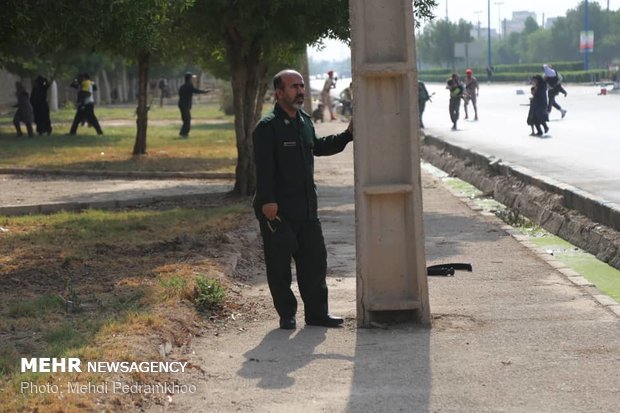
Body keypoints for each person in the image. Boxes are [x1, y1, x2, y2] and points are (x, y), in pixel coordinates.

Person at [252, 69, 353, 330]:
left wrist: (347, 135)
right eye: (294, 86)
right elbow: (264, 170)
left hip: (307, 208)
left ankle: (317, 314)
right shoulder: (267, 128)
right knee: (279, 267)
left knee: (315, 263)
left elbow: (317, 147)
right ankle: (287, 314)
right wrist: (268, 202)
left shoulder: (305, 121)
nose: (300, 91)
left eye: (302, 86)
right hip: (279, 211)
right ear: (279, 93)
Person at [178, 72, 209, 138]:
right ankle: (184, 133)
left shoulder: (182, 86)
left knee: (185, 119)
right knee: (187, 119)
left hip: (181, 104)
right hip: (185, 105)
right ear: (189, 78)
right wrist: (205, 92)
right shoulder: (189, 86)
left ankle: (183, 132)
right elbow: (196, 90)